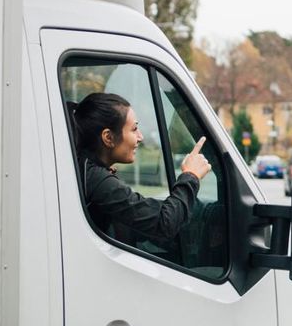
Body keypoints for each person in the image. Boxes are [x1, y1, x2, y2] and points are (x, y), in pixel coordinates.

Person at [72, 92, 212, 243]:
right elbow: (164, 223)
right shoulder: (96, 179)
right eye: (134, 129)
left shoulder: (86, 169)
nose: (140, 137)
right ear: (108, 137)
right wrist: (191, 176)